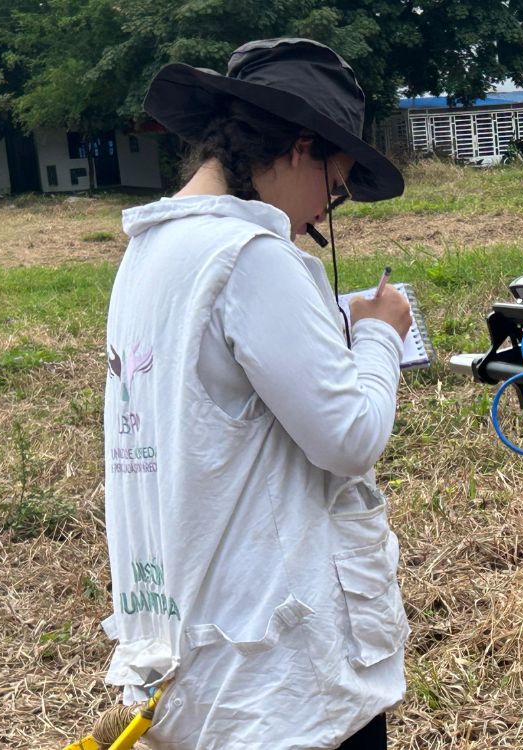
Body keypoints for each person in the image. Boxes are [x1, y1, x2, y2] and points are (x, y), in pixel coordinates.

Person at [101, 38, 413, 750]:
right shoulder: (252, 255)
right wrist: (378, 337)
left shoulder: (151, 252)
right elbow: (349, 436)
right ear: (301, 147)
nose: (321, 219)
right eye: (334, 190)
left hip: (190, 663)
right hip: (278, 687)